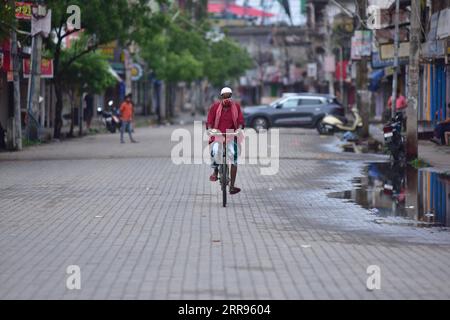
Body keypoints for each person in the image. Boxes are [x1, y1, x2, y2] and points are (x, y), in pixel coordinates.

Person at [206, 87, 244, 195]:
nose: (227, 98)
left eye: (229, 96)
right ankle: (215, 171)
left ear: (231, 96)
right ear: (221, 97)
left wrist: (239, 129)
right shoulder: (215, 107)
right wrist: (209, 129)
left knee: (234, 156)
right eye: (225, 96)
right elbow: (209, 120)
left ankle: (232, 186)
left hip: (231, 135)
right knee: (215, 150)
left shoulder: (236, 107)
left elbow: (240, 121)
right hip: (218, 134)